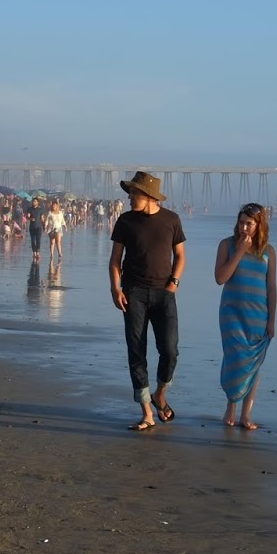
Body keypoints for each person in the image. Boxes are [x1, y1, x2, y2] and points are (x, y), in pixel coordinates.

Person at [108, 171, 185, 431]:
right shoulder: (125, 221)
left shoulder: (171, 220)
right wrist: (115, 288)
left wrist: (173, 283)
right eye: (130, 192)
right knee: (136, 351)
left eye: (134, 193)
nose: (129, 197)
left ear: (149, 196)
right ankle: (146, 412)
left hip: (165, 294)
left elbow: (180, 256)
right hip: (134, 294)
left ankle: (160, 394)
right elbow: (115, 259)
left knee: (170, 350)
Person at [213, 202, 276, 430]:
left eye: (249, 223)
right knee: (234, 359)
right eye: (241, 222)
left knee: (253, 364)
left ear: (259, 225)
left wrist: (272, 320)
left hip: (258, 315)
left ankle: (246, 414)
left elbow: (272, 287)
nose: (244, 228)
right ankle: (230, 409)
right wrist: (239, 251)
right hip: (231, 313)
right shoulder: (226, 245)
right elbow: (220, 278)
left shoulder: (268, 252)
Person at [27, 196, 45, 262]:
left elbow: (42, 218)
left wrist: (44, 226)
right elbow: (27, 216)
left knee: (38, 240)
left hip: (39, 227)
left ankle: (38, 252)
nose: (33, 202)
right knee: (32, 240)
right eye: (33, 201)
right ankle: (34, 252)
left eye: (35, 201)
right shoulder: (30, 209)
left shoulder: (40, 210)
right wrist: (30, 218)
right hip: (32, 227)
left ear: (37, 202)